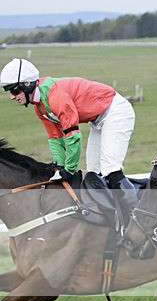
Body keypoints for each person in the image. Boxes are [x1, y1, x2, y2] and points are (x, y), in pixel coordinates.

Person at [0, 57, 138, 218]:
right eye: (9, 91)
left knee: (110, 169)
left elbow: (73, 135)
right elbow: (55, 137)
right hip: (98, 119)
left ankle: (139, 218)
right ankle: (112, 220)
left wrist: (69, 169)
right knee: (94, 174)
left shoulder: (55, 97)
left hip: (115, 111)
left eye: (14, 90)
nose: (12, 96)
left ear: (28, 84)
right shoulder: (40, 107)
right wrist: (59, 164)